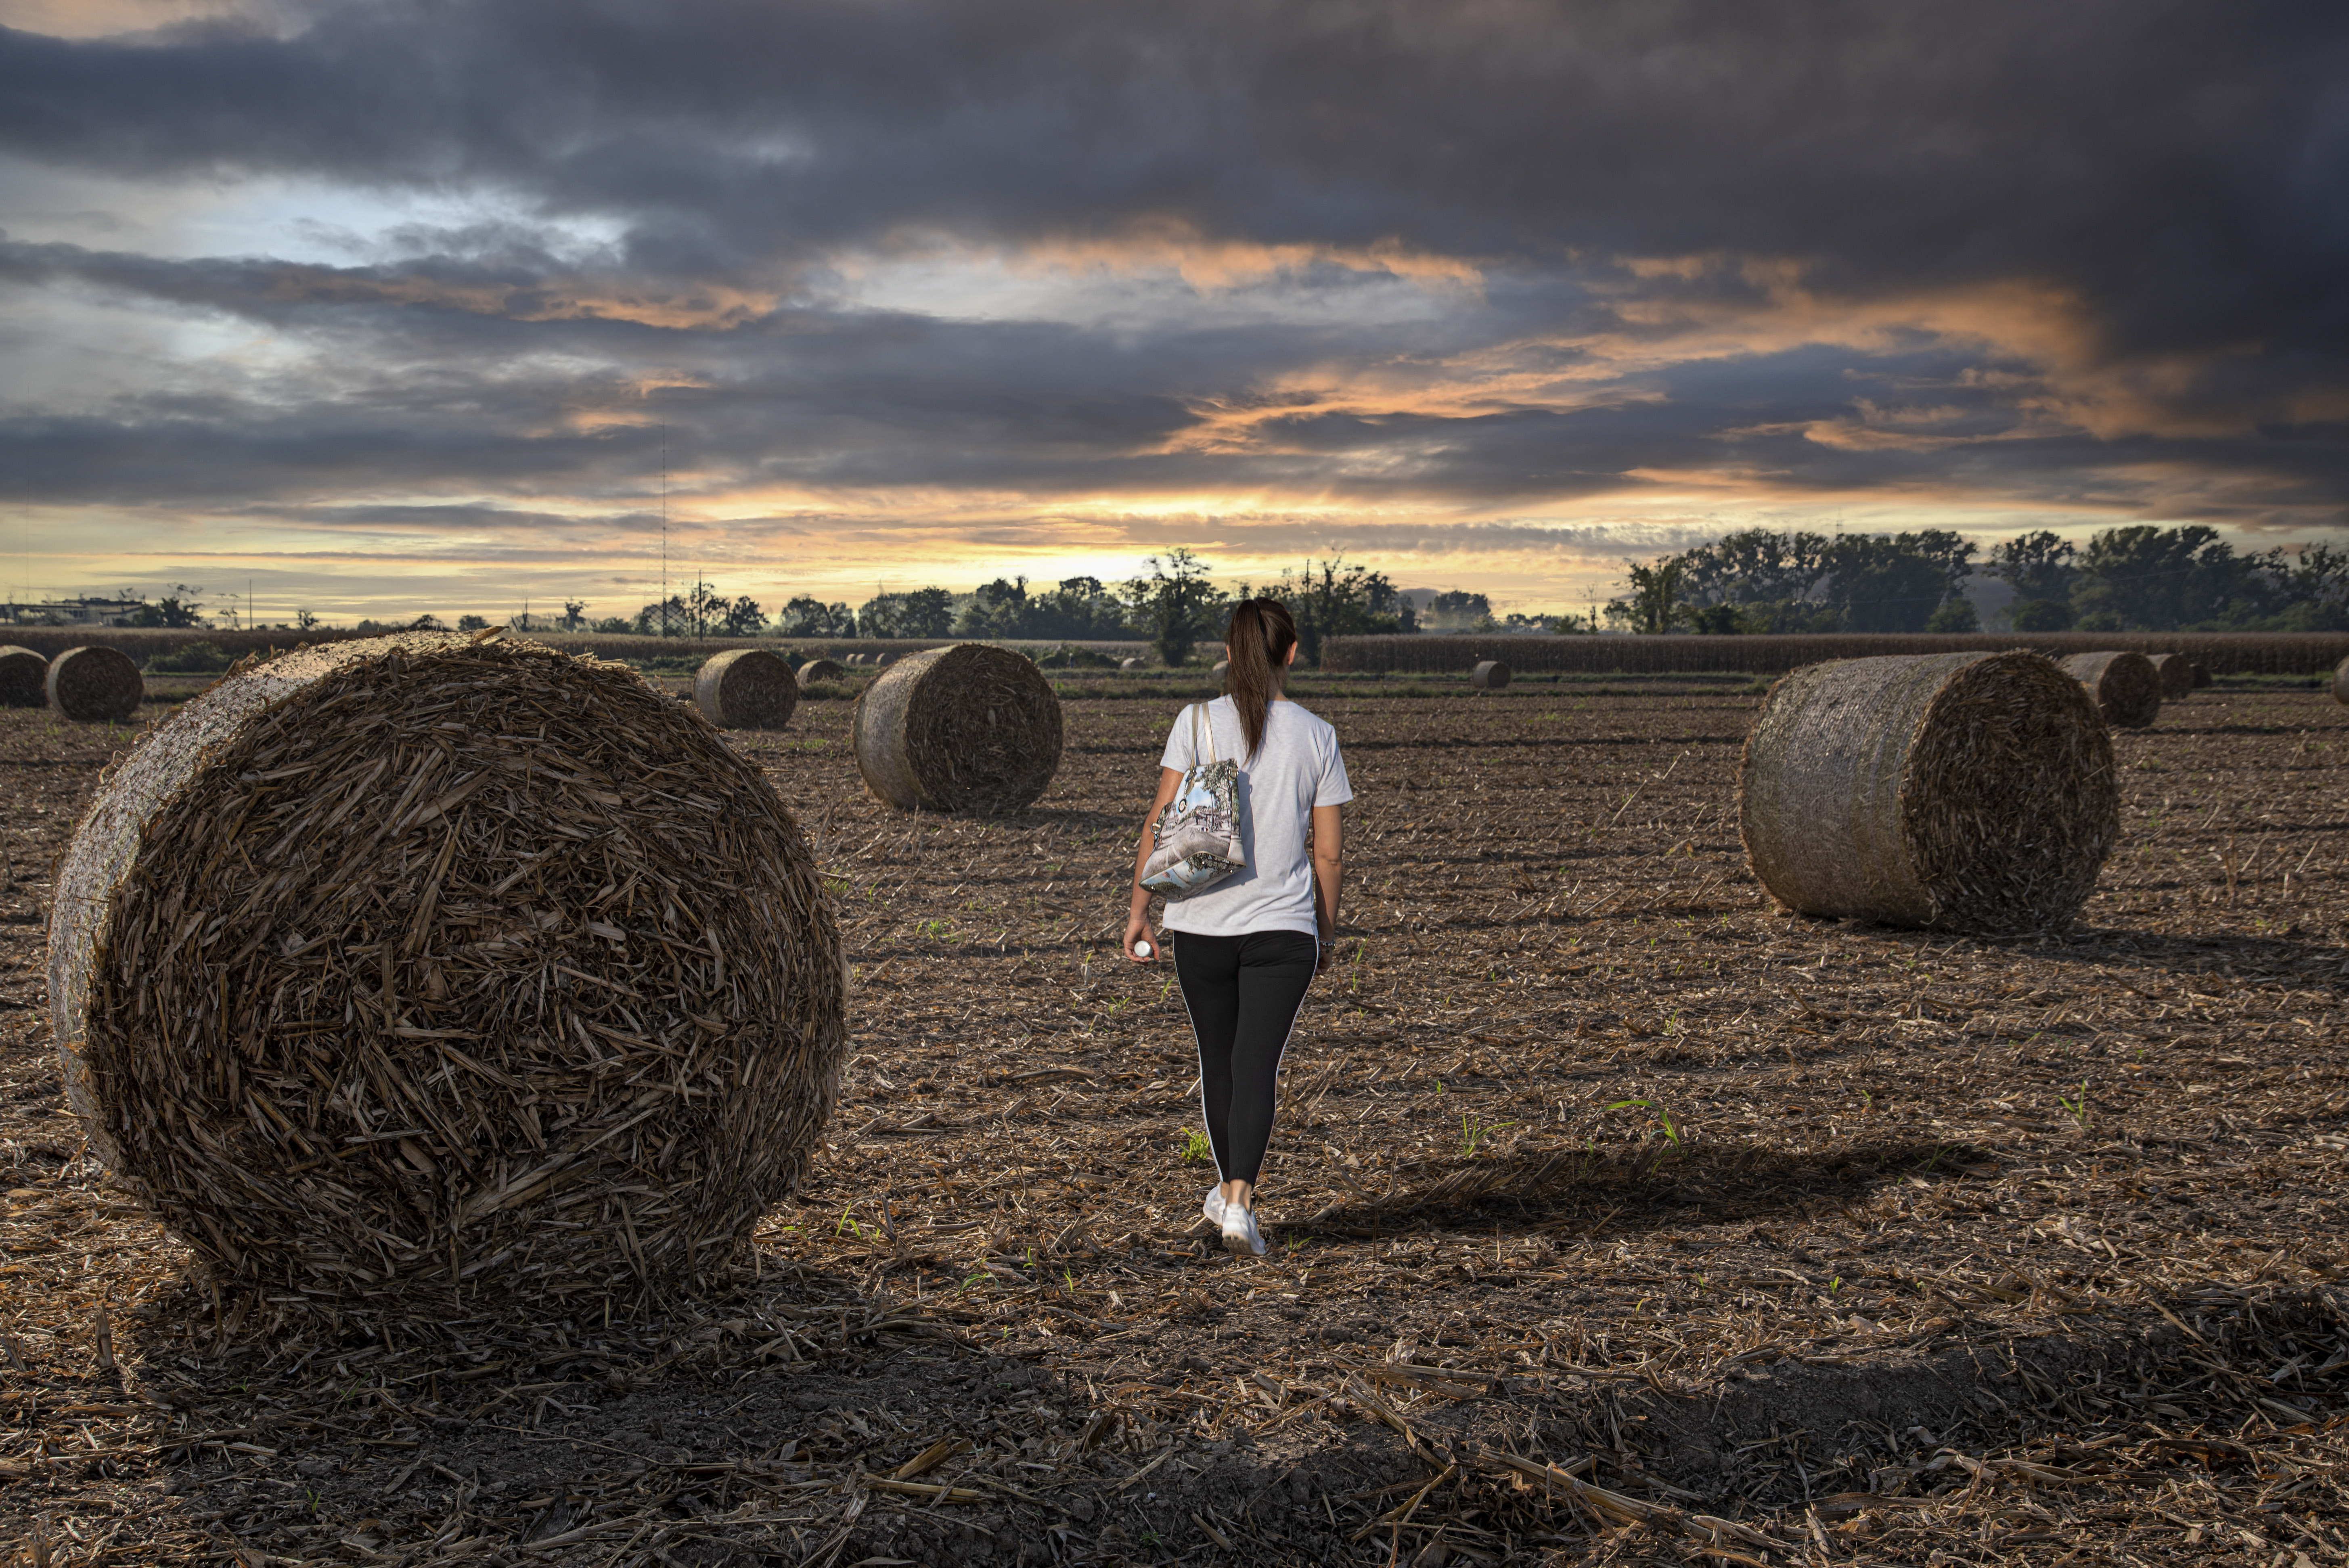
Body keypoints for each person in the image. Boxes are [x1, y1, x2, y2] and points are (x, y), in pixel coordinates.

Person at [1124, 599, 1350, 1258]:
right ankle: (1239, 1202)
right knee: (1258, 1064)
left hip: (1200, 926)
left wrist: (1140, 909)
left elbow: (1159, 823)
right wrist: (1326, 934)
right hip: (1284, 930)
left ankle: (1229, 1197)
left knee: (1219, 1062)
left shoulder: (1195, 723)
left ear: (1229, 652)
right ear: (1291, 652)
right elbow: (1329, 853)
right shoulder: (1317, 735)